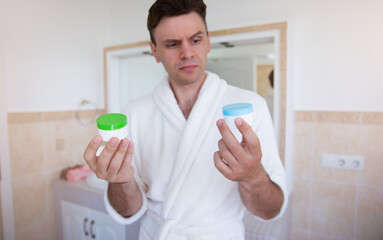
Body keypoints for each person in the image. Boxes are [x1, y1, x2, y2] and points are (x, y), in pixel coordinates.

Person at [83, 0, 287, 239]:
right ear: (155, 51)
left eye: (196, 40)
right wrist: (120, 181)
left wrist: (252, 175)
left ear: (208, 42)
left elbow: (269, 210)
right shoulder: (135, 112)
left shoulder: (250, 107)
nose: (187, 52)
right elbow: (127, 211)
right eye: (172, 44)